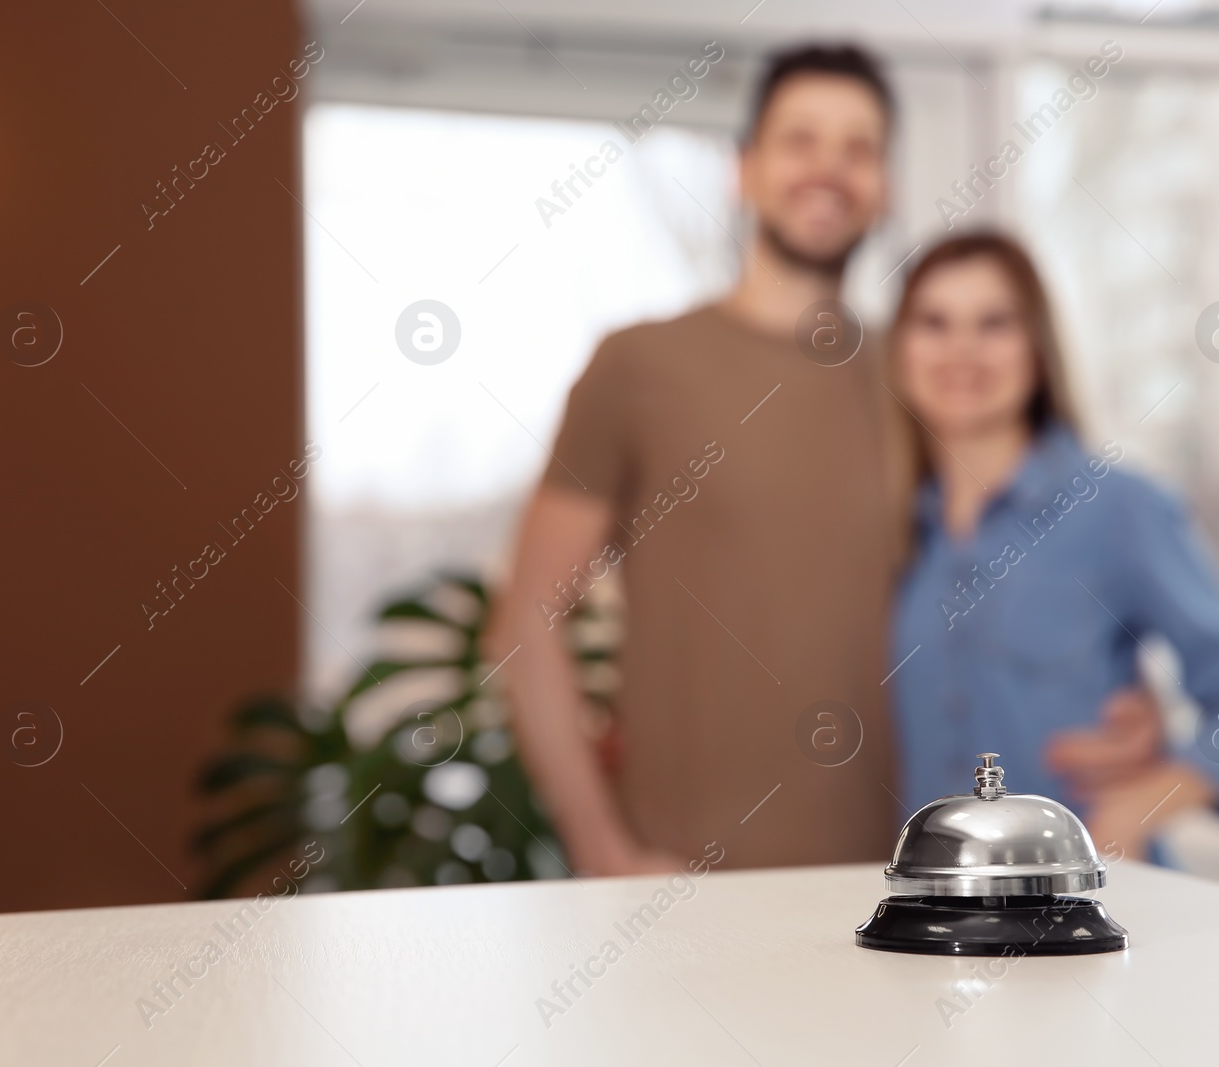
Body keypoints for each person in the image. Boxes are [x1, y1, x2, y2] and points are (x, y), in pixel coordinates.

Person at [493, 46, 1168, 876]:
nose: (829, 169)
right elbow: (527, 619)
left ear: (883, 185)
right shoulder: (637, 366)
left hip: (899, 893)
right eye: (801, 141)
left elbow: (1019, 564)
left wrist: (1135, 712)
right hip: (681, 893)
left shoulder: (921, 380)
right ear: (744, 171)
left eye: (859, 149)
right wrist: (602, 850)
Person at [885, 232, 1219, 857]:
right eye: (934, 323)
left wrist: (1143, 801)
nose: (961, 349)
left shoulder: (1118, 509)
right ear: (901, 353)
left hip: (1093, 919)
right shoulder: (897, 533)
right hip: (947, 923)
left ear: (1038, 350)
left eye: (994, 323)